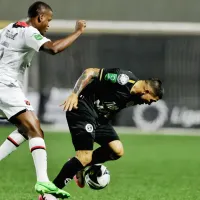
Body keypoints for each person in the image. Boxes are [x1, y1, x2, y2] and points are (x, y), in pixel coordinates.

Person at [0, 1, 86, 198]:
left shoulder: (10, 27)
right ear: (39, 18)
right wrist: (78, 32)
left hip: (3, 86)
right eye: (48, 20)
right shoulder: (29, 32)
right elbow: (54, 49)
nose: (48, 25)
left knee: (25, 128)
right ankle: (43, 181)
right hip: (5, 86)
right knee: (35, 128)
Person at [39, 67, 164, 200]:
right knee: (84, 156)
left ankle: (78, 165)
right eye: (152, 100)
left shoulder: (138, 97)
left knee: (117, 151)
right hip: (82, 108)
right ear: (147, 90)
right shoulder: (123, 79)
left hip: (100, 119)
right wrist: (74, 94)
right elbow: (90, 72)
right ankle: (49, 194)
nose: (149, 104)